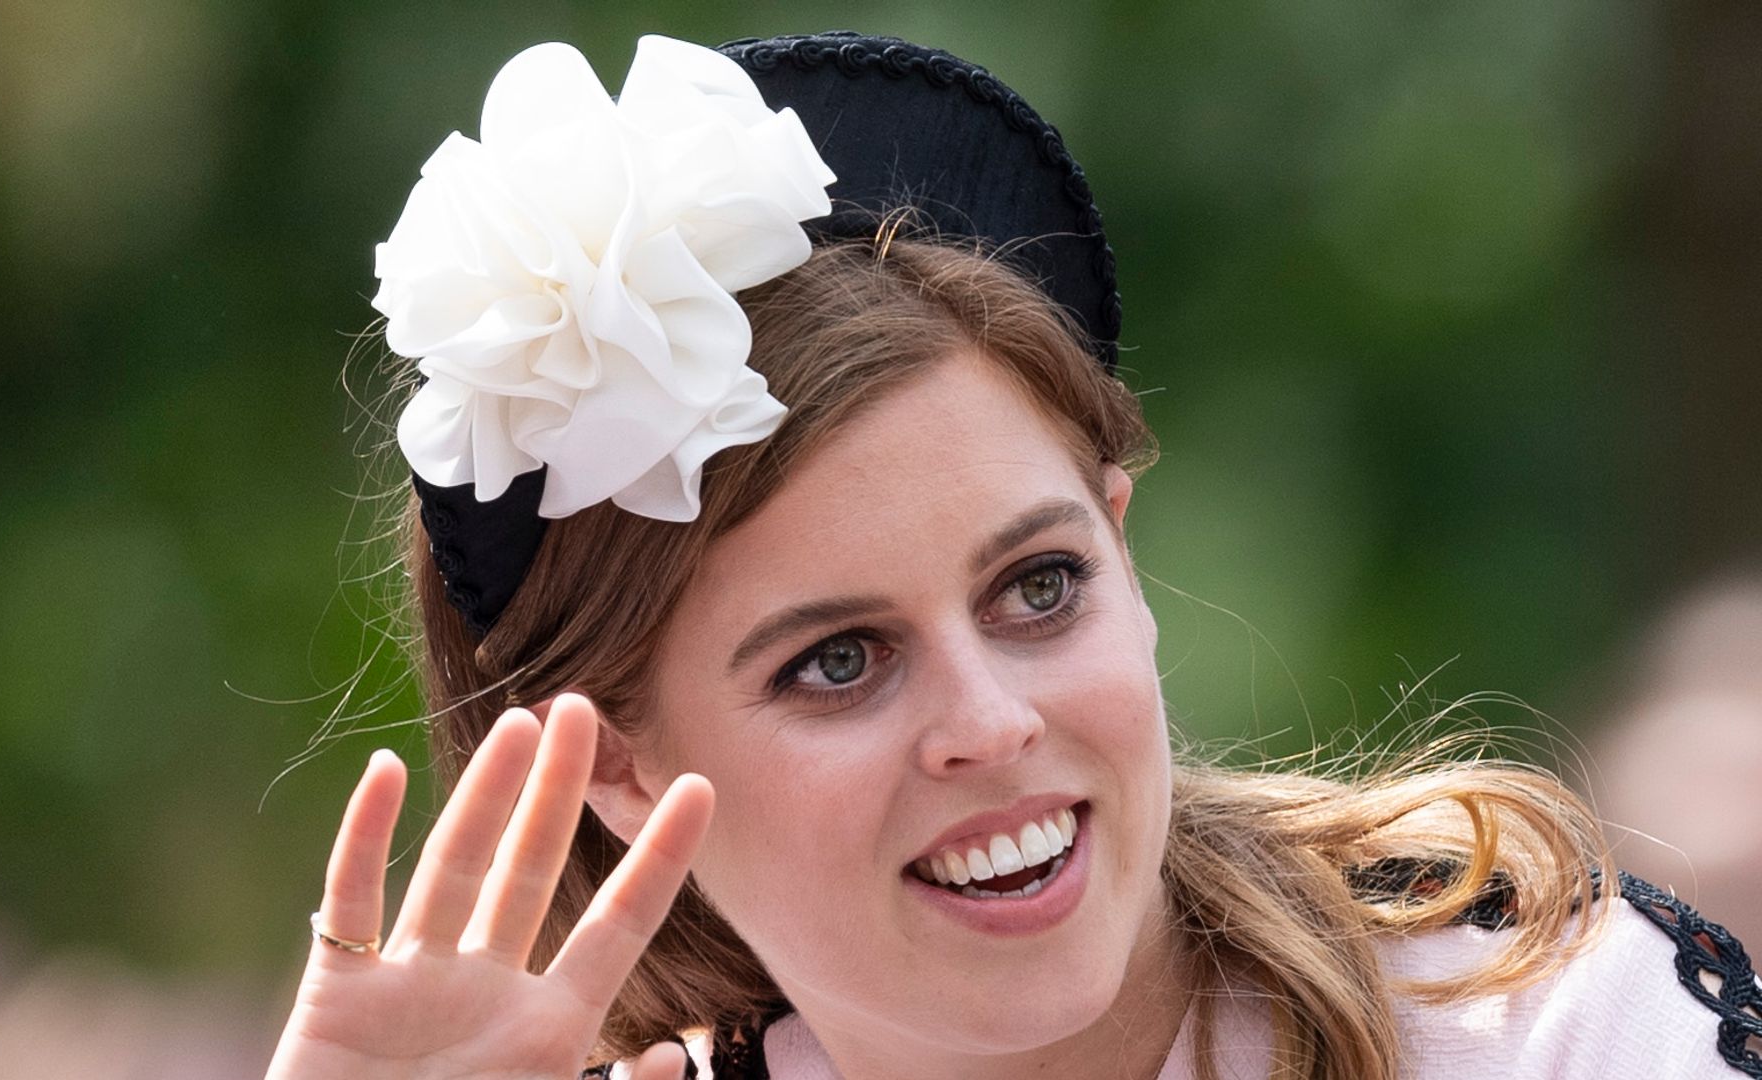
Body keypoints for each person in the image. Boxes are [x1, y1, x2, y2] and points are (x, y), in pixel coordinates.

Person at [265, 32, 1762, 1080]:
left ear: (1120, 542)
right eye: (837, 662)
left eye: (1037, 589)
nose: (992, 722)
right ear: (620, 765)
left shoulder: (1559, 1039)